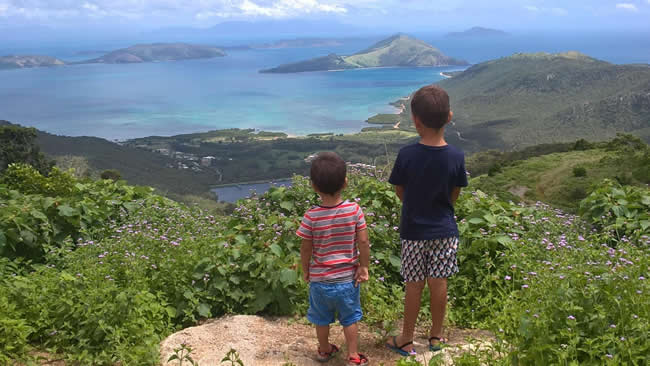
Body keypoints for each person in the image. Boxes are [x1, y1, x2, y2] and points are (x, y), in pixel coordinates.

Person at [385, 85, 468, 355]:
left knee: (414, 284)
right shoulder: (456, 156)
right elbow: (454, 193)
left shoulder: (407, 155)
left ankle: (406, 338)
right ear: (449, 117)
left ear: (415, 120)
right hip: (445, 229)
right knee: (439, 282)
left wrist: (414, 206)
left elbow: (400, 190)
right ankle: (435, 337)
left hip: (413, 231)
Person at [296, 152, 370, 365]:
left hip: (320, 282)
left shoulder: (311, 216)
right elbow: (363, 242)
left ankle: (325, 349)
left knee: (321, 318)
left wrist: (306, 270)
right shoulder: (354, 210)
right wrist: (363, 267)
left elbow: (305, 248)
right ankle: (353, 355)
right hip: (347, 279)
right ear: (345, 183)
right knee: (350, 318)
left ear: (314, 186)